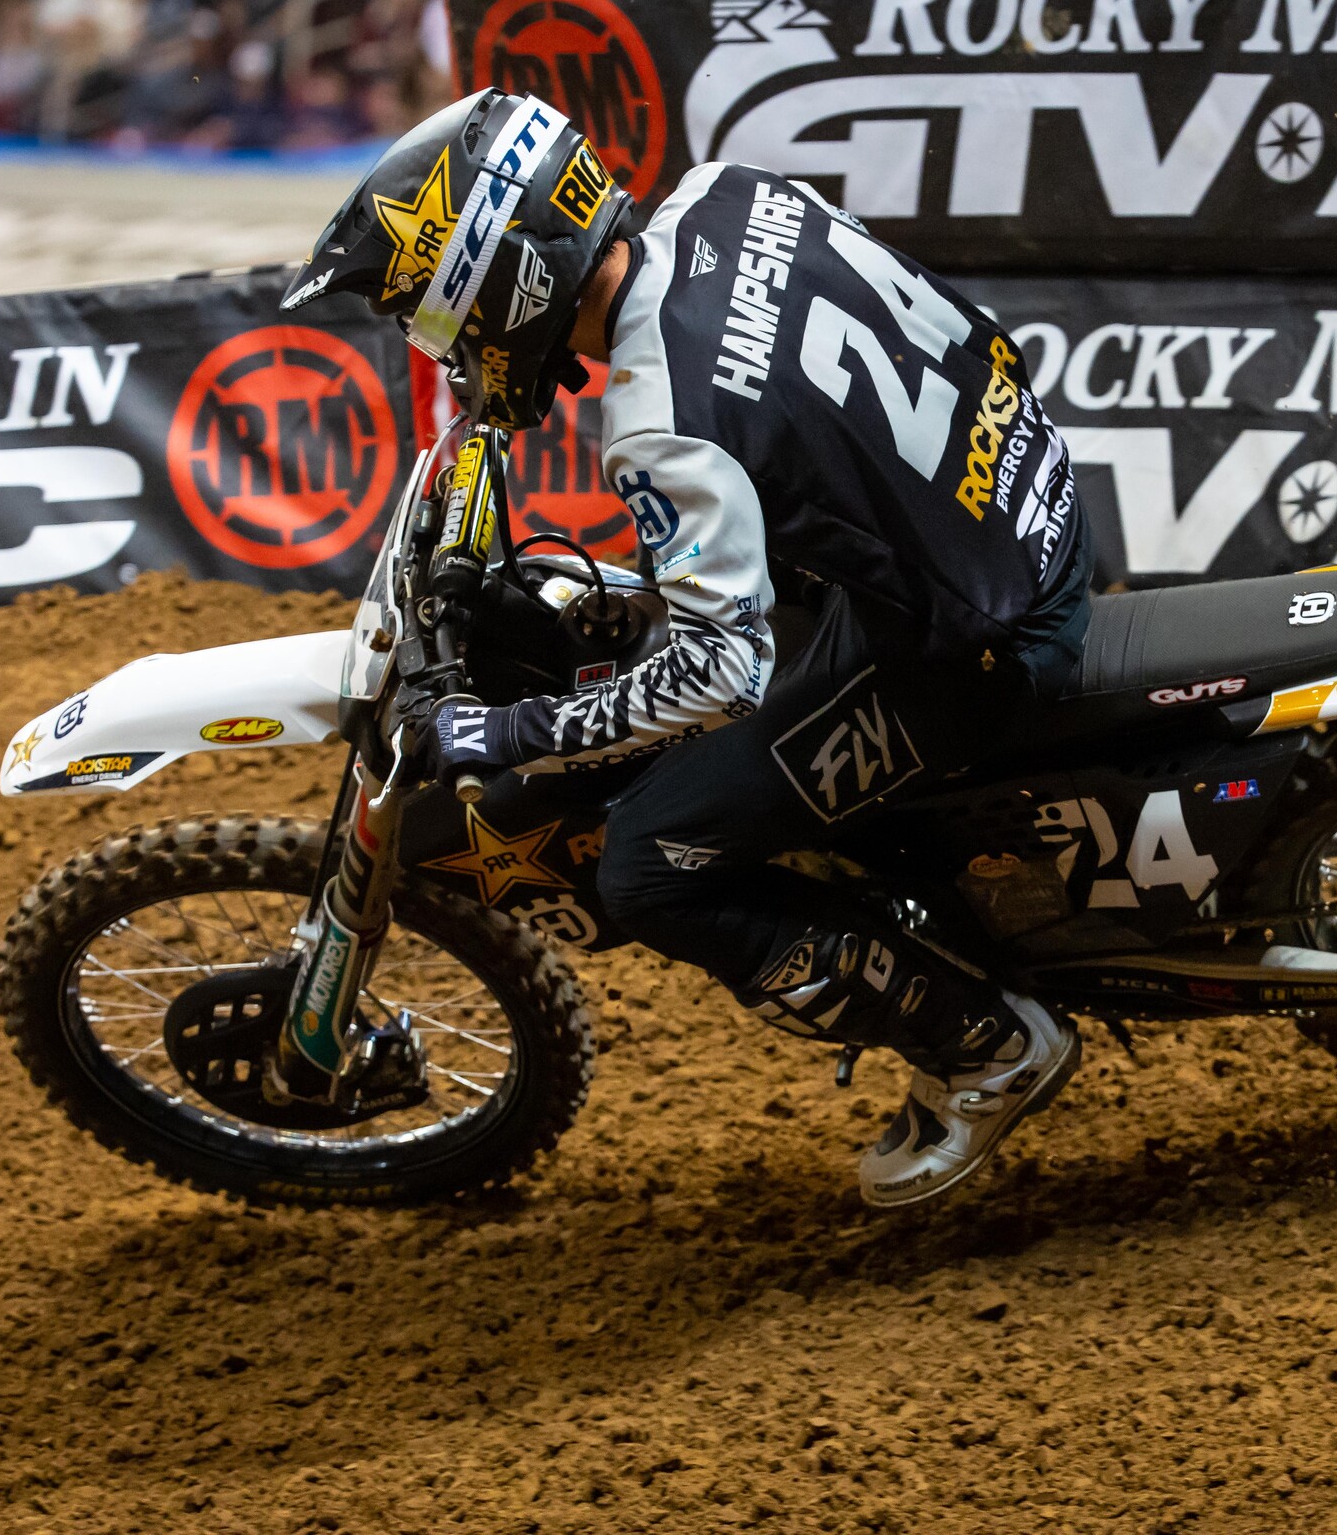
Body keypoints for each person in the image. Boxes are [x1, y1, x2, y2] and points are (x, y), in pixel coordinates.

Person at [282, 89, 1090, 1208]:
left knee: (649, 864)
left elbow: (720, 673)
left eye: (438, 311)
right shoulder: (728, 194)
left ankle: (987, 1043)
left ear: (506, 281)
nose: (446, 345)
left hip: (974, 643)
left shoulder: (658, 419)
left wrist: (502, 731)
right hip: (1016, 507)